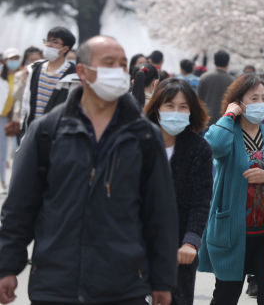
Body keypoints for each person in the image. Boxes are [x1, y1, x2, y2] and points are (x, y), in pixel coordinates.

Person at [0, 35, 178, 305]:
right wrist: (7, 266)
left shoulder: (144, 136)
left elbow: (160, 212)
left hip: (123, 285)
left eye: (121, 64)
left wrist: (163, 279)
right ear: (82, 71)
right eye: (108, 63)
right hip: (56, 283)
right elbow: (20, 207)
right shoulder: (48, 131)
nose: (118, 71)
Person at [198, 74, 264, 305]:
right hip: (232, 232)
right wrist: (229, 114)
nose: (260, 103)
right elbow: (213, 146)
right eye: (253, 97)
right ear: (239, 102)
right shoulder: (228, 133)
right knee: (225, 296)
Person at [144, 78, 213, 305]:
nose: (176, 112)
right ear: (157, 109)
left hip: (179, 246)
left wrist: (191, 241)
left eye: (183, 107)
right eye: (170, 106)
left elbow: (201, 201)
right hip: (137, 243)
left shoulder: (199, 148)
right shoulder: (139, 143)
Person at [19, 26, 77, 135]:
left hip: (56, 135)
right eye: (48, 41)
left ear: (65, 49)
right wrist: (23, 132)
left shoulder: (73, 76)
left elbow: (72, 110)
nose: (49, 45)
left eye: (55, 42)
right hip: (31, 133)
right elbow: (26, 104)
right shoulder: (34, 69)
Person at [0, 49, 21, 192]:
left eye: (16, 58)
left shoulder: (19, 76)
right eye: (10, 59)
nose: (13, 62)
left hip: (9, 117)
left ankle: (3, 181)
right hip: (2, 116)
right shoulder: (3, 78)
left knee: (7, 151)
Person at [198, 50, 234, 125]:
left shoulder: (204, 77)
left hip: (207, 119)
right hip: (225, 120)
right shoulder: (232, 80)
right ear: (228, 63)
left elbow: (199, 99)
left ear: (214, 62)